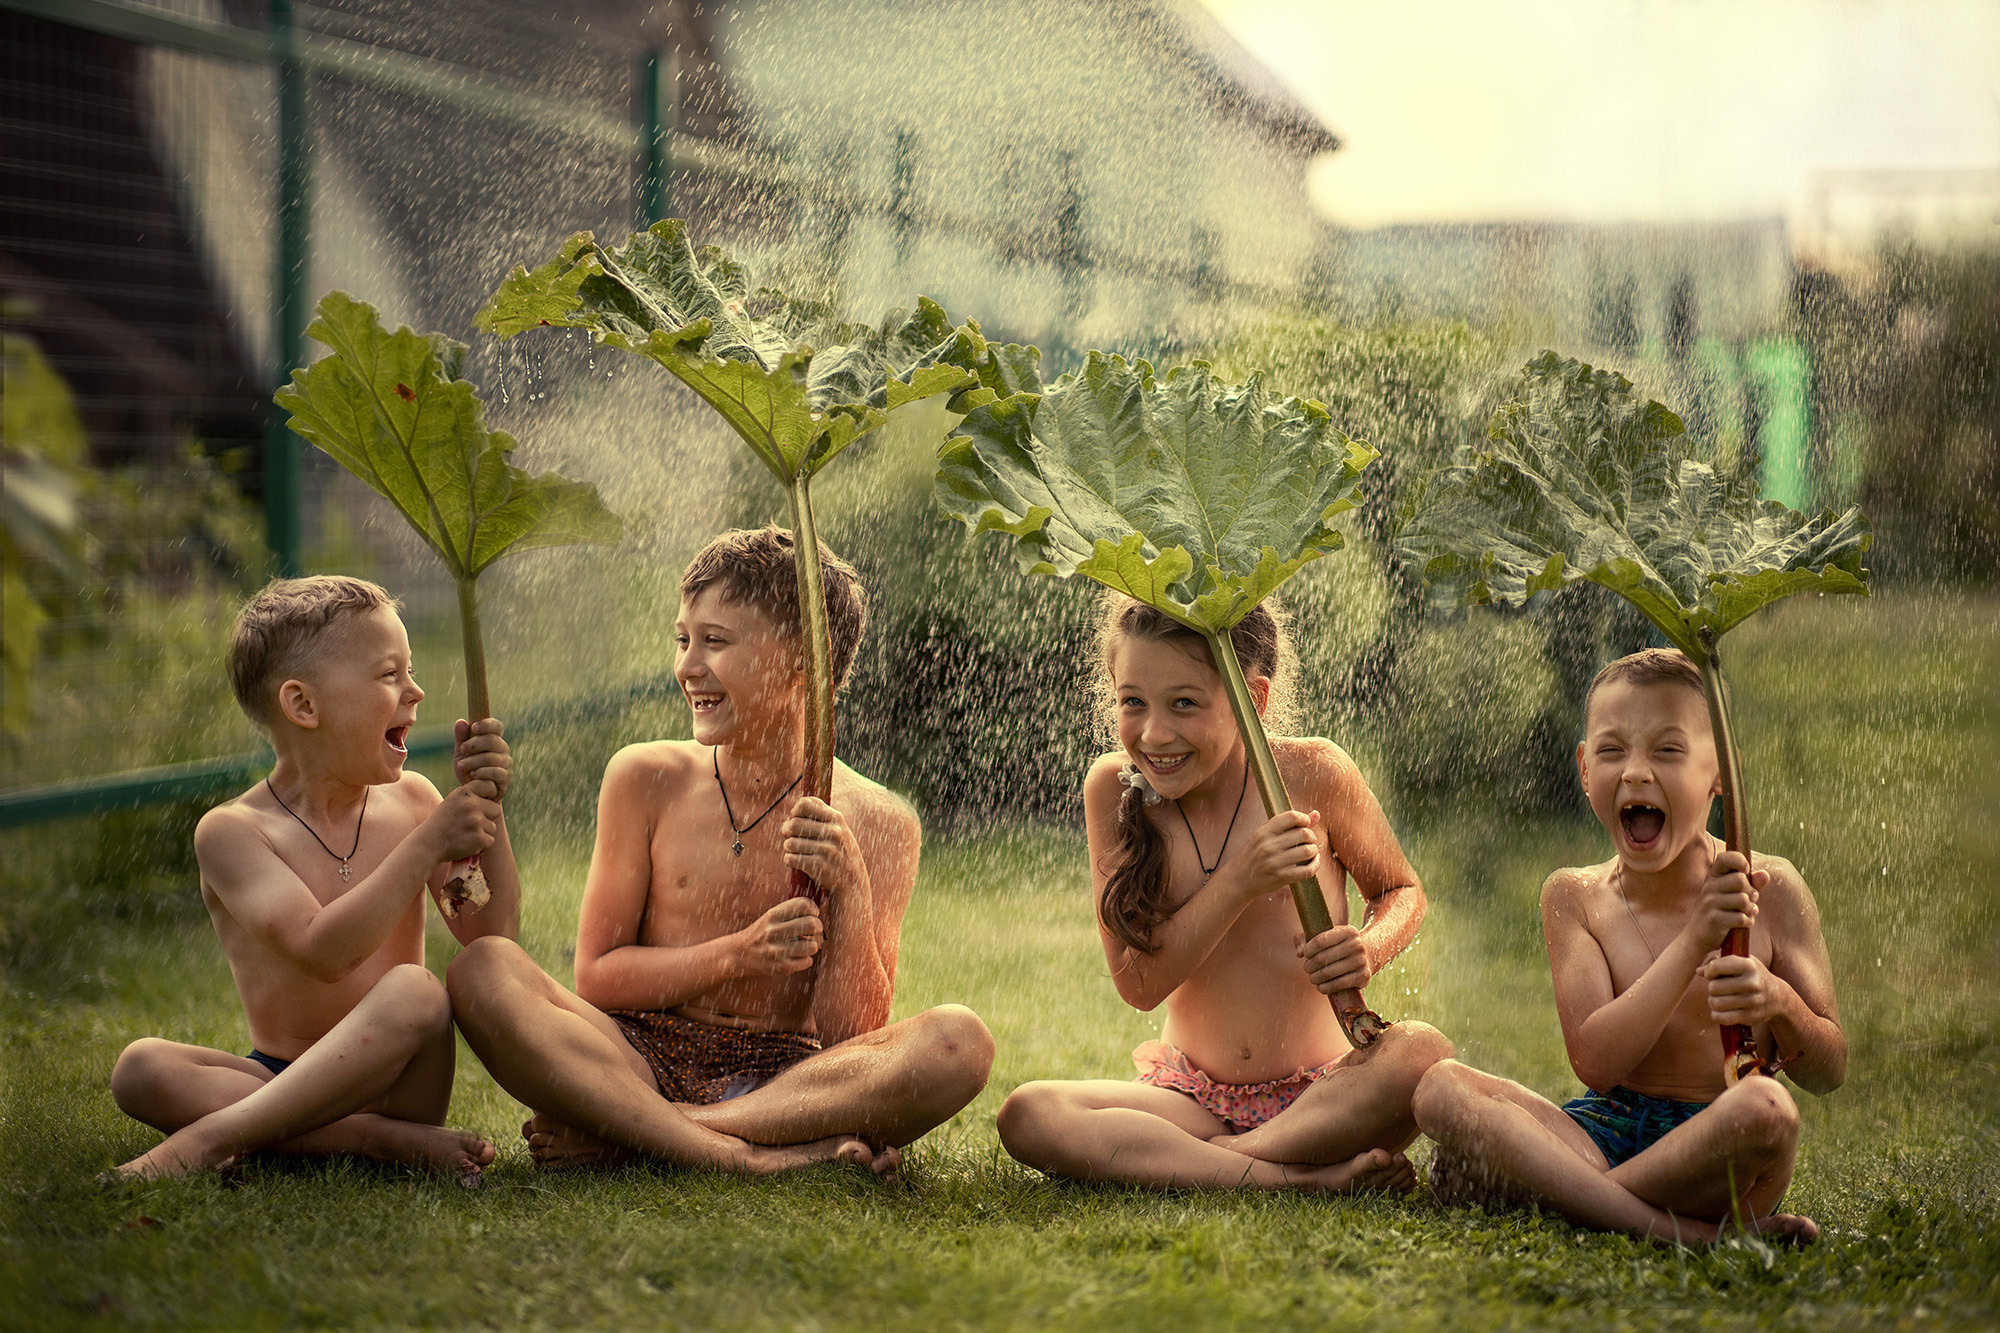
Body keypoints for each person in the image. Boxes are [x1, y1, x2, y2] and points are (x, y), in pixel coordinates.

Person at [446, 527, 992, 1178]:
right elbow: (596, 975)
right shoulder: (644, 777)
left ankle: (645, 1132)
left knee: (958, 1041)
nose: (687, 666)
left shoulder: (880, 819)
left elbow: (855, 1037)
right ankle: (743, 1155)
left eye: (715, 641)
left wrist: (849, 888)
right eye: (683, 639)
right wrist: (740, 953)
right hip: (638, 1054)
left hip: (790, 1078)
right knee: (484, 970)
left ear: (801, 660)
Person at [996, 596, 1452, 1192]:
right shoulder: (1114, 789)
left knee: (1421, 1053)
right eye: (1133, 702)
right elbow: (1140, 985)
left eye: (1184, 703)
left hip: (1324, 1092)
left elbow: (1401, 889)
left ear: (1251, 700)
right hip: (1188, 1100)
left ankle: (1209, 1162)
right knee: (1028, 1114)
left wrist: (1369, 946)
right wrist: (1242, 879)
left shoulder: (1314, 772)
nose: (1155, 734)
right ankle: (1291, 1178)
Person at [1414, 648, 1843, 1244]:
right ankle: (1693, 1236)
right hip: (1599, 1133)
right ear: (1586, 769)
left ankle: (1555, 1189)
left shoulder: (1772, 889)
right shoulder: (1575, 896)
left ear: (1723, 774)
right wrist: (1697, 939)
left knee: (1769, 1112)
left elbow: (1830, 1071)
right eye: (1613, 751)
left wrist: (1779, 1002)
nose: (1636, 772)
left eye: (1668, 750)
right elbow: (1596, 1062)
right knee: (1438, 1087)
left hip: (1714, 1144)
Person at [108, 576, 515, 1185]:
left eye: (410, 670)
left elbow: (491, 930)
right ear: (302, 706)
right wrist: (428, 842)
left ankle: (219, 1134)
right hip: (281, 1074)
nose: (416, 690)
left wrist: (488, 806)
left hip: (400, 1077)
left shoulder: (414, 802)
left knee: (418, 990)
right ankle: (373, 1142)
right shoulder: (234, 832)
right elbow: (324, 953)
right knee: (139, 1069)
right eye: (389, 675)